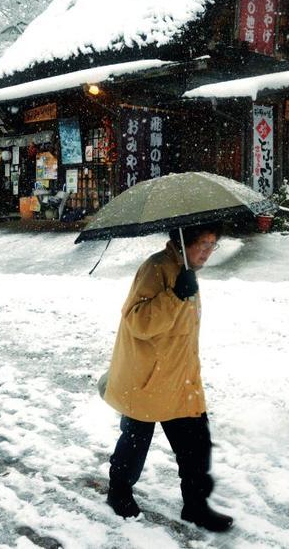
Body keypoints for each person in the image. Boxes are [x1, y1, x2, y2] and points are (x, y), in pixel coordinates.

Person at [101, 222, 233, 532]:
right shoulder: (156, 268)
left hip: (179, 377)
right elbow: (138, 322)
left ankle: (196, 506)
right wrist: (174, 295)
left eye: (212, 244)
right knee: (134, 442)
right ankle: (119, 492)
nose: (207, 251)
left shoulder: (186, 270)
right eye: (202, 243)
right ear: (183, 241)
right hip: (147, 377)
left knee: (197, 444)